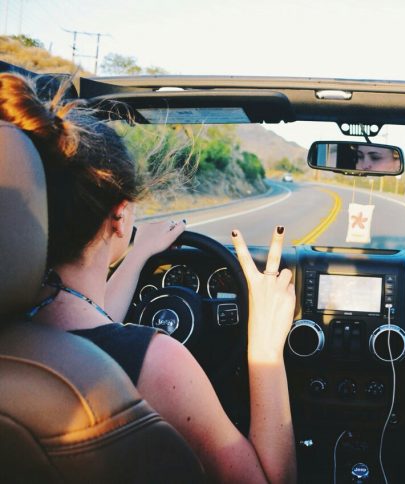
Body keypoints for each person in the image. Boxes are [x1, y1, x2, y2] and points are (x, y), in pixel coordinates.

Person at [0, 72, 296, 483]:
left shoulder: (20, 331)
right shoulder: (157, 363)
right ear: (119, 217)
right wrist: (265, 348)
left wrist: (138, 253)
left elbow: (93, 322)